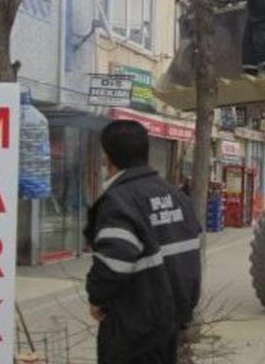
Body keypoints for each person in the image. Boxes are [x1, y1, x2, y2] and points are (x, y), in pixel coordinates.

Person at [84, 120, 202, 364]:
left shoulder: (120, 201)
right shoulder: (177, 197)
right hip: (170, 325)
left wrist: (96, 298)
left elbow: (114, 263)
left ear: (107, 157)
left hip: (133, 330)